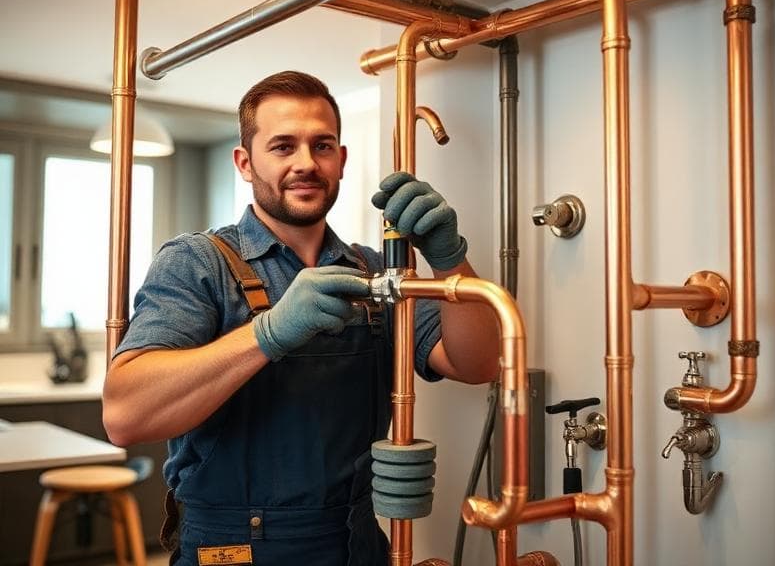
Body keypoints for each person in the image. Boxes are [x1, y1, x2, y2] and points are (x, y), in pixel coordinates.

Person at [102, 71, 499, 566]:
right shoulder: (196, 263)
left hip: (357, 543)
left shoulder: (375, 271)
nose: (306, 164)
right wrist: (266, 334)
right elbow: (124, 415)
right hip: (234, 547)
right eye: (284, 147)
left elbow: (477, 363)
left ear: (341, 160)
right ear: (245, 163)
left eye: (322, 146)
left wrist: (448, 260)